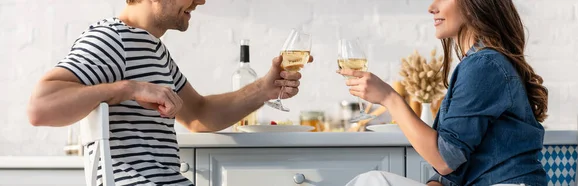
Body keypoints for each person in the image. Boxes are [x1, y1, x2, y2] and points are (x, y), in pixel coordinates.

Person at [27, 0, 312, 185]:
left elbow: (200, 115)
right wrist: (128, 88)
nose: (200, 1)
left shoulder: (152, 48)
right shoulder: (111, 39)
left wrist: (264, 88)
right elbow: (41, 107)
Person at [341, 0, 548, 186]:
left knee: (372, 182)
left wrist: (389, 98)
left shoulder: (484, 65)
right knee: (371, 181)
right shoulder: (481, 63)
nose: (432, 7)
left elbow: (445, 159)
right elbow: (460, 154)